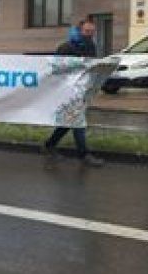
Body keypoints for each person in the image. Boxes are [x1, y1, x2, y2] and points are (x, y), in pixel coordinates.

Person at [42, 19, 104, 167]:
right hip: (67, 90)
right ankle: (84, 155)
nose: (90, 35)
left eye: (92, 32)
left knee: (69, 120)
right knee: (77, 121)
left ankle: (49, 145)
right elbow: (57, 69)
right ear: (80, 30)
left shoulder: (91, 46)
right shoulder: (65, 47)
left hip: (81, 89)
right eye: (87, 32)